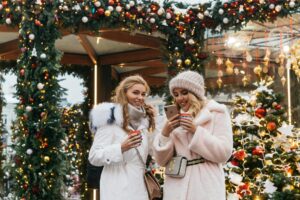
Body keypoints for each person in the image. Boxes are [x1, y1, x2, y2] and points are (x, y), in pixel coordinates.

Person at [153, 70, 233, 200]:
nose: (179, 98)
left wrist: (196, 131)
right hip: (176, 185)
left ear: (195, 93)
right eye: (176, 94)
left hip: (205, 185)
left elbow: (224, 153)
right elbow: (161, 161)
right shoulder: (173, 119)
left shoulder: (216, 112)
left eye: (184, 92)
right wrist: (165, 134)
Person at [88, 75, 156, 200]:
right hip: (116, 187)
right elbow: (93, 156)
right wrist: (120, 148)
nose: (140, 97)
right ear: (124, 93)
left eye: (143, 94)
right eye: (135, 92)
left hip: (140, 187)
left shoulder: (144, 122)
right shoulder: (109, 120)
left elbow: (153, 151)